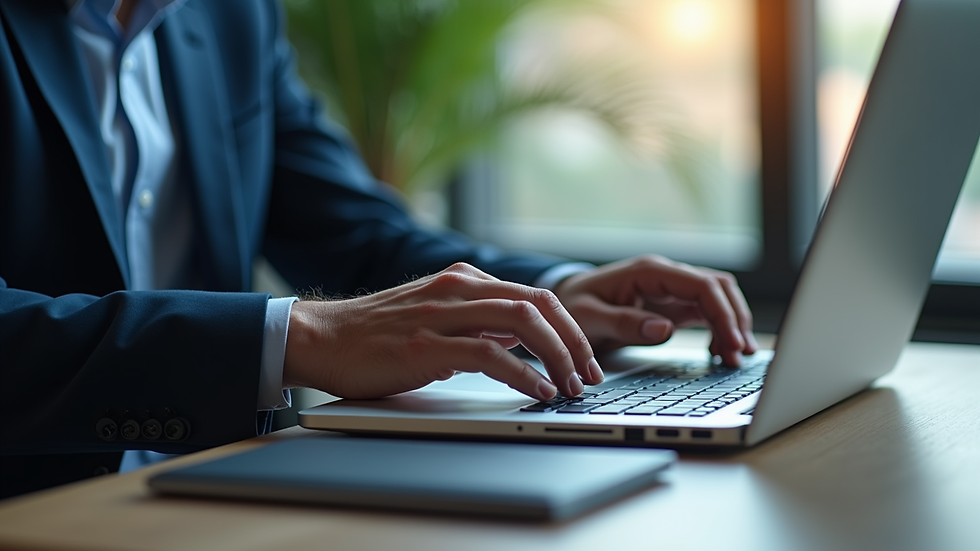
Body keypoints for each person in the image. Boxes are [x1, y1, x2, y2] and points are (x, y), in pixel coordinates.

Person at [0, 0, 757, 498]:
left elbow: (352, 231)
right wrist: (300, 335)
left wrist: (553, 290)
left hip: (214, 492)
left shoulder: (229, 16)